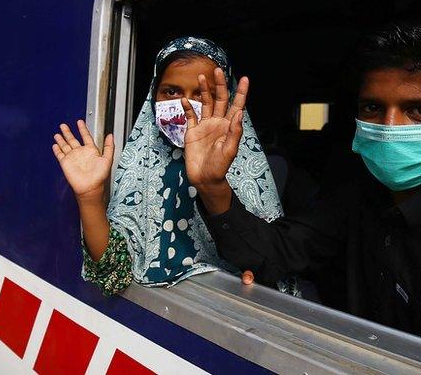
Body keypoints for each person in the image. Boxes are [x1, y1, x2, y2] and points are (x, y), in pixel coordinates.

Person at [185, 23, 421, 370]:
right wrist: (213, 185)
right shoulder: (356, 202)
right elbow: (274, 252)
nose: (390, 128)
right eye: (373, 108)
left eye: (420, 111)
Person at [51, 37, 287, 296]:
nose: (184, 105)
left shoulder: (246, 175)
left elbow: (271, 275)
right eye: (171, 92)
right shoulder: (141, 169)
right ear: (154, 96)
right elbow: (113, 275)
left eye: (201, 93)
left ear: (225, 99)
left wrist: (213, 186)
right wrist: (90, 198)